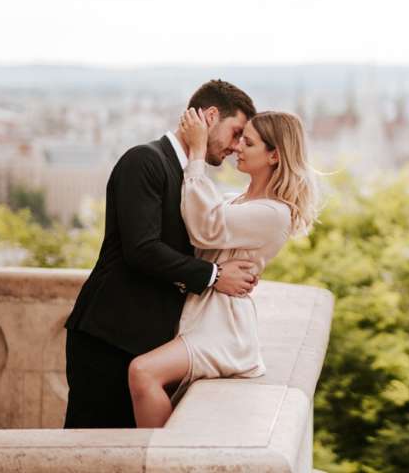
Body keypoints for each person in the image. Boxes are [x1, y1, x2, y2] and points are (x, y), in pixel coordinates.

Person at [63, 79, 261, 429]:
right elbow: (141, 249)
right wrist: (215, 276)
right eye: (235, 133)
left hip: (146, 341)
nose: (235, 147)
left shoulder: (194, 176)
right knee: (92, 449)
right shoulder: (145, 160)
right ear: (210, 116)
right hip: (107, 336)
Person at [127, 108, 319, 427]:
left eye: (250, 143)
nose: (238, 148)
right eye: (241, 138)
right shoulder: (235, 200)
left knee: (143, 372)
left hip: (222, 327)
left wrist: (198, 153)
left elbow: (205, 226)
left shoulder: (274, 213)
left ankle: (162, 461)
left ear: (274, 156)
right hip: (202, 312)